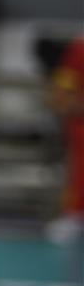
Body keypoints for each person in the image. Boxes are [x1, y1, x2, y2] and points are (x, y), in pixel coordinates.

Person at [47, 36, 84, 244]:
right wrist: (67, 103)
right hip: (81, 124)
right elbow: (62, 91)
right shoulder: (79, 49)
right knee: (79, 170)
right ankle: (75, 216)